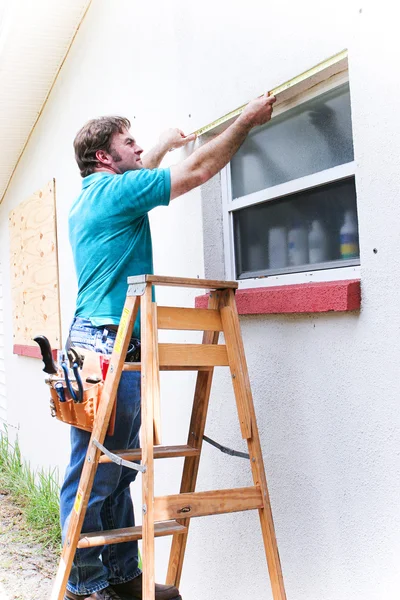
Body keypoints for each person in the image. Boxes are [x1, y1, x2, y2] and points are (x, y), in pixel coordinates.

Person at [61, 92, 276, 600]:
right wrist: (245, 121)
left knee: (119, 466)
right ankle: (82, 585)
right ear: (104, 159)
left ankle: (120, 577)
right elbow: (199, 171)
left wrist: (158, 145)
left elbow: (140, 172)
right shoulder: (113, 194)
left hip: (105, 340)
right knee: (96, 470)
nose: (138, 149)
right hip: (107, 345)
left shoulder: (95, 196)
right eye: (128, 143)